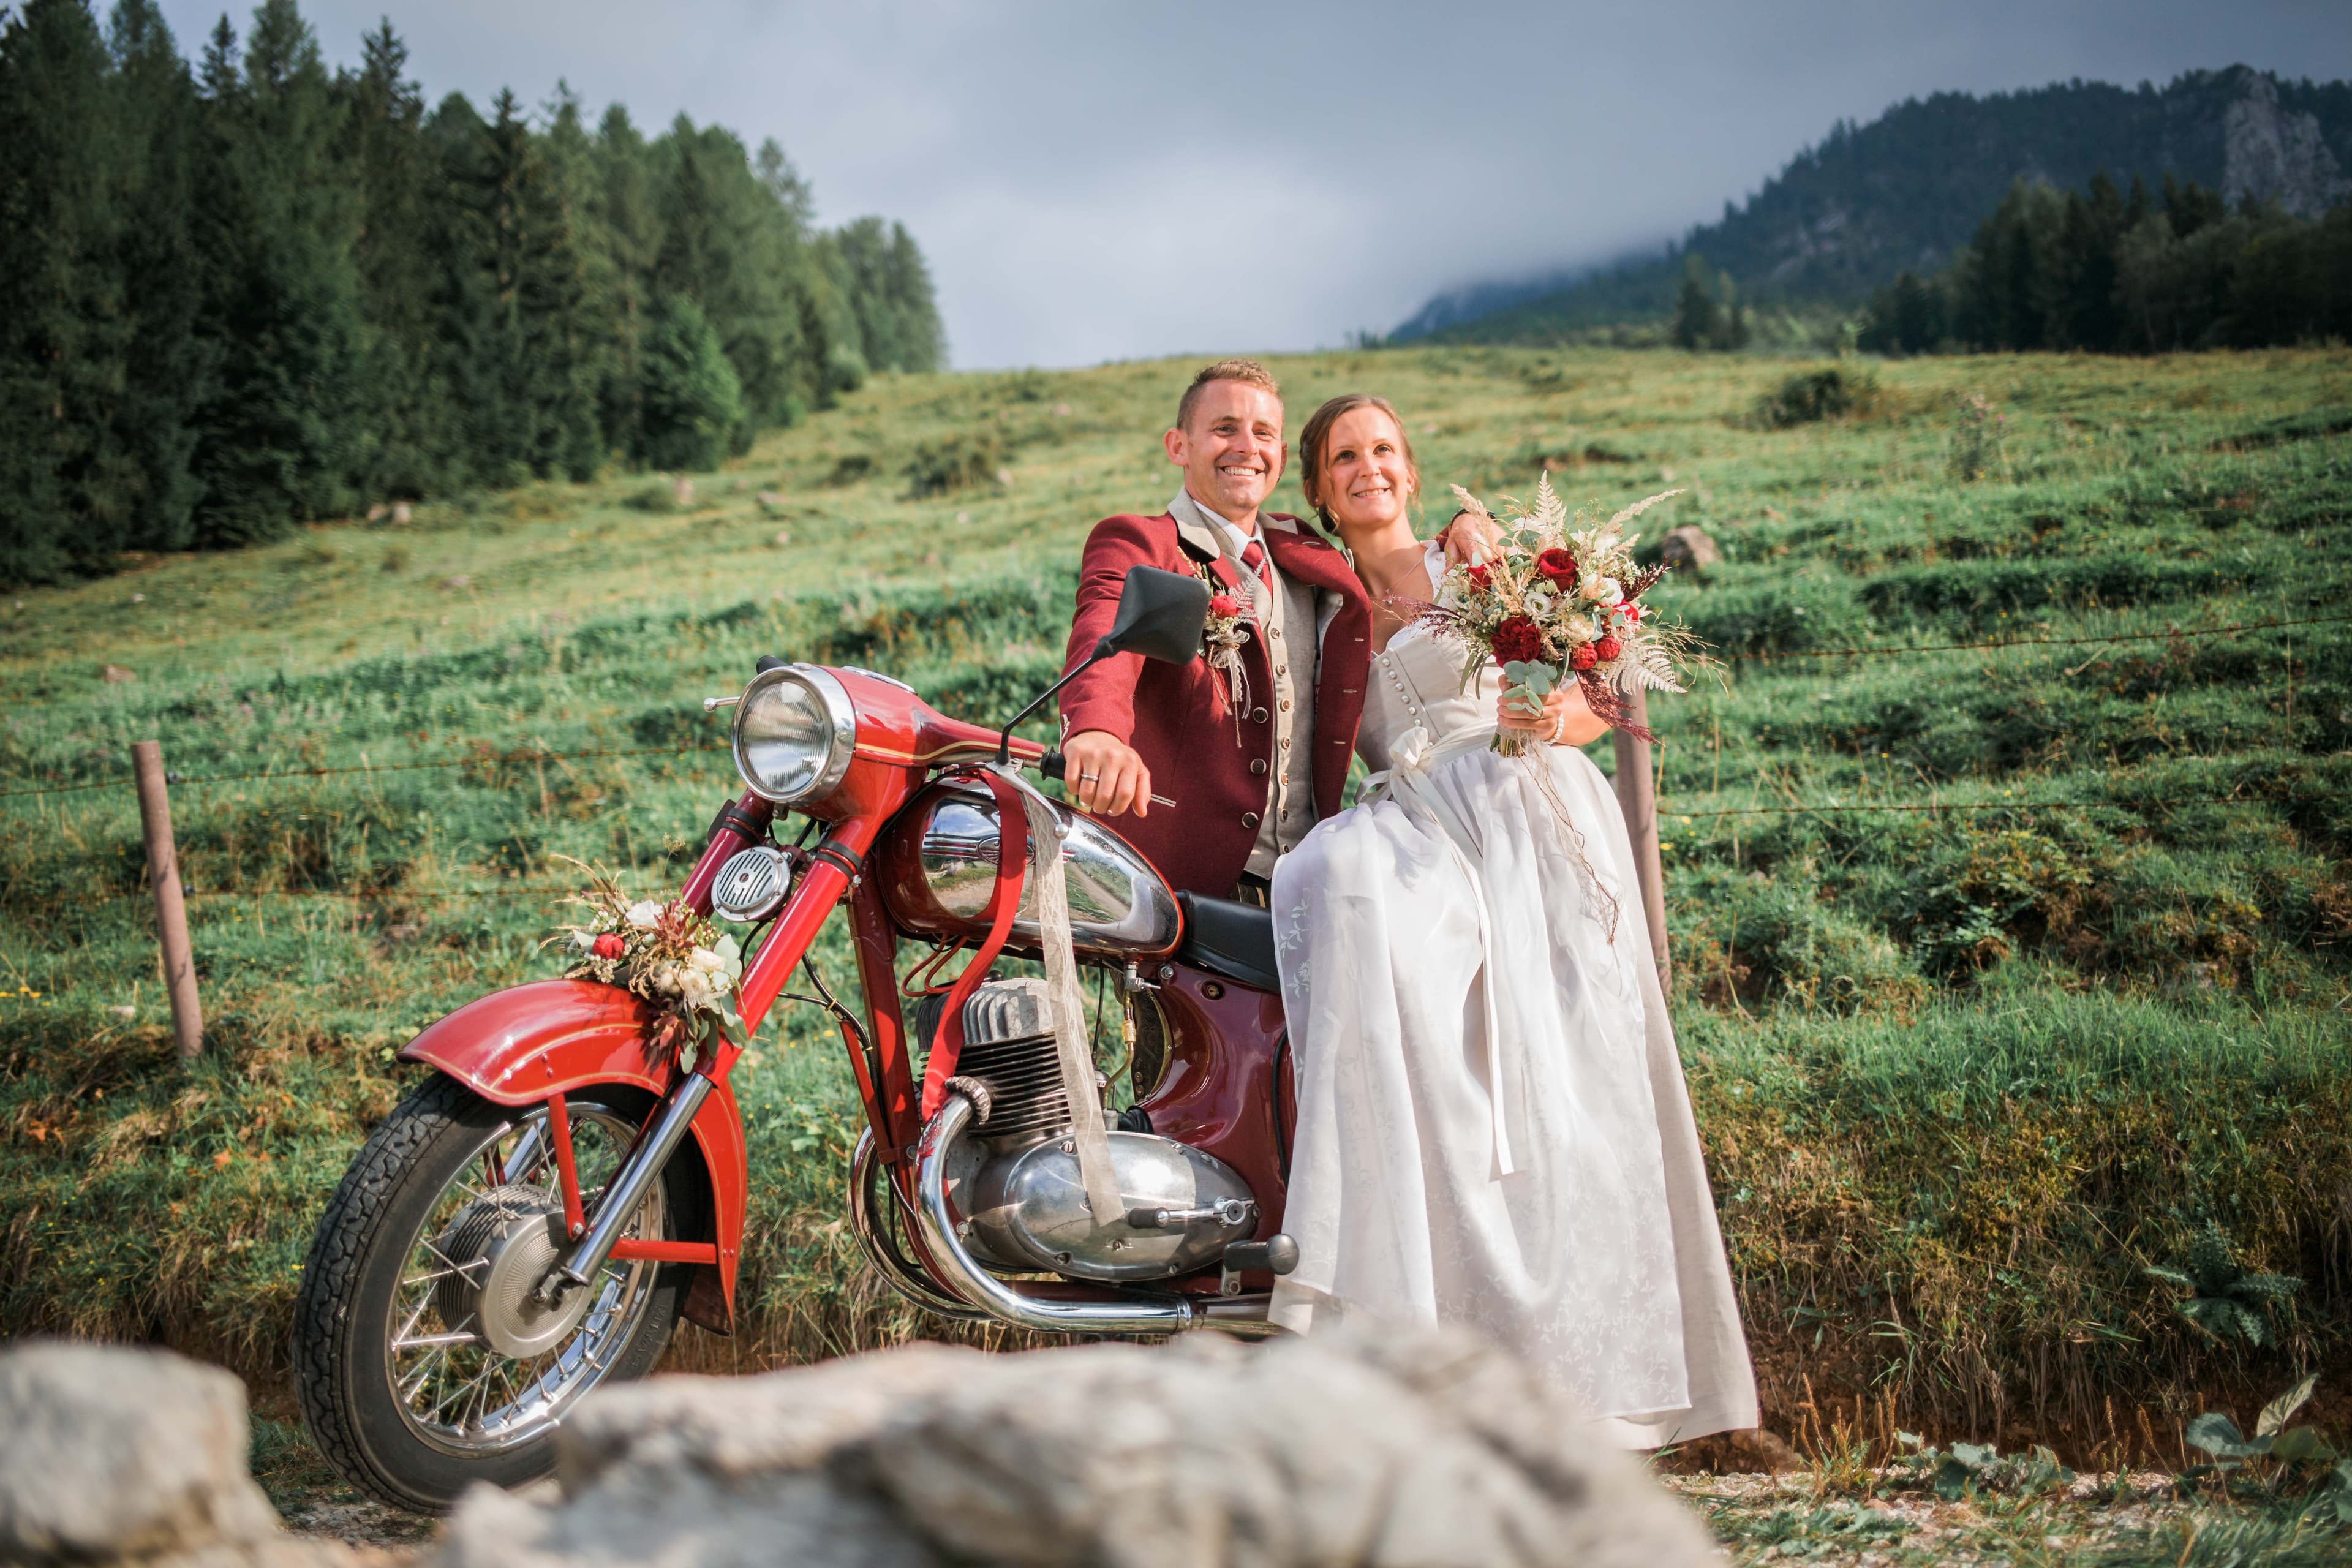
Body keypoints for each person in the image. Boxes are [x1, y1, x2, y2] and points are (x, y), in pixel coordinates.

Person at [1264, 393, 1758, 1447]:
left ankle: (1611, 1387)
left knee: (1576, 1086)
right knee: (1341, 896)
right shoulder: (1312, 595)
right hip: (1420, 818)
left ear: (1410, 463)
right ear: (1317, 488)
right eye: (1345, 456)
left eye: (1385, 449)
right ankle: (1420, 1325)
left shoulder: (1472, 558)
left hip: (1526, 801)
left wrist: (1548, 718)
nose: (1370, 468)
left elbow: (1597, 692)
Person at [1055, 360, 1492, 903]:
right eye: (1223, 429)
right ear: (1178, 446)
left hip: (1314, 877)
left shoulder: (1305, 554)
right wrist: (1096, 731)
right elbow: (1104, 628)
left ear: (1281, 458)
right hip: (1187, 885)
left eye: (1263, 433)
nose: (1245, 446)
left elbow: (1392, 542)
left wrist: (1469, 525)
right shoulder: (1144, 544)